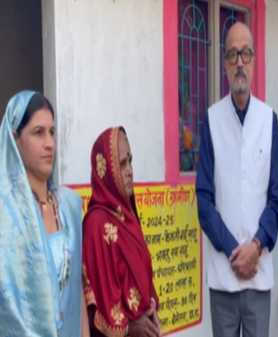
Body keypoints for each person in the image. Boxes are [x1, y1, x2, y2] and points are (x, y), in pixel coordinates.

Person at [195, 22, 278, 337]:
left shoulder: (268, 119)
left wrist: (256, 247)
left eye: (245, 53)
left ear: (253, 59)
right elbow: (204, 200)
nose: (240, 63)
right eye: (232, 55)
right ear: (224, 63)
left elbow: (277, 197)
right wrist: (236, 251)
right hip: (223, 275)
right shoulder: (212, 119)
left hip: (259, 276)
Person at [0, 91, 89, 336]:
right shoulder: (7, 218)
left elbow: (76, 292)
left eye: (51, 132)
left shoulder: (69, 206)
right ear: (15, 138)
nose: (49, 143)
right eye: (38, 133)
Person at [82, 126, 161, 337]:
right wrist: (130, 327)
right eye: (122, 164)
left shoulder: (128, 218)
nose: (130, 171)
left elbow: (143, 276)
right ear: (105, 170)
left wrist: (152, 310)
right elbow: (100, 303)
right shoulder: (96, 224)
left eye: (130, 161)